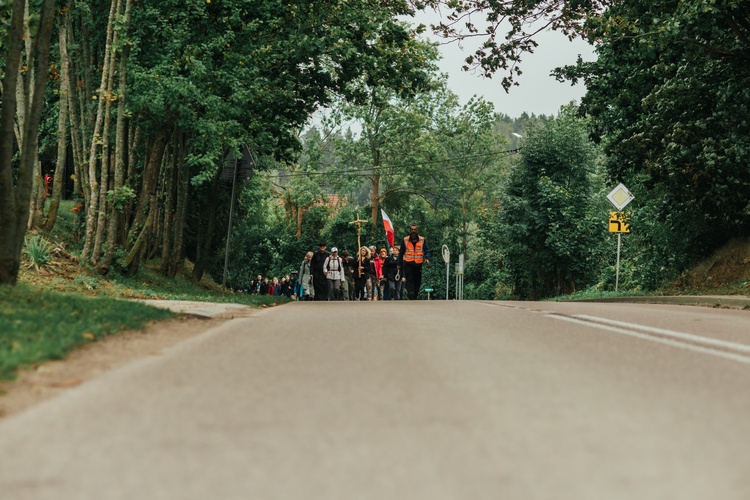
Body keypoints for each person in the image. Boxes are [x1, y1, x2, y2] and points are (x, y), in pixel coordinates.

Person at [396, 224, 430, 300]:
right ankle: (410, 293)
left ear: (417, 230)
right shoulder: (405, 240)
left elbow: (427, 250)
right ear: (410, 230)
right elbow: (401, 252)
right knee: (409, 279)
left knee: (417, 281)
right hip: (408, 263)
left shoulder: (422, 240)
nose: (413, 231)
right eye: (412, 229)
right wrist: (398, 263)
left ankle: (415, 295)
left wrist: (427, 258)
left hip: (418, 264)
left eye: (415, 229)